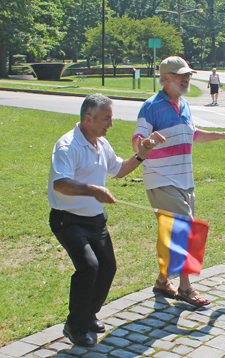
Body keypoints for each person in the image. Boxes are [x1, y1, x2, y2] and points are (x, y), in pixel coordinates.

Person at [48, 93, 164, 347]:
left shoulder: (101, 144)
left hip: (95, 220)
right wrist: (93, 190)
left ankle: (88, 314)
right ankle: (75, 326)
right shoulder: (68, 145)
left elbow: (119, 170)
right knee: (89, 267)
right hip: (68, 220)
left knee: (108, 267)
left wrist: (142, 154)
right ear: (88, 119)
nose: (111, 124)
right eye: (106, 119)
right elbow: (61, 183)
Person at [132, 56, 225, 307]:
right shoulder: (151, 106)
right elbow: (138, 139)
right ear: (165, 78)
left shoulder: (185, 104)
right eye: (181, 75)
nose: (187, 78)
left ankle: (161, 282)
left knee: (175, 234)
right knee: (186, 229)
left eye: (188, 74)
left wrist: (221, 135)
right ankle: (185, 288)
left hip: (185, 181)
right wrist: (145, 144)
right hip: (161, 178)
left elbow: (192, 135)